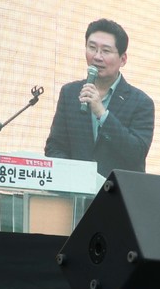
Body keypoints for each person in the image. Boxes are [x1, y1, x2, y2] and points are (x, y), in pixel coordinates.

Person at [45, 19, 154, 177]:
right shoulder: (70, 93)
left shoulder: (141, 102)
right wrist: (72, 176)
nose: (97, 57)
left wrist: (103, 115)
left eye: (106, 51)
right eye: (92, 48)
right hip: (76, 188)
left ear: (123, 59)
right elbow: (55, 147)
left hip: (118, 189)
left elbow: (136, 153)